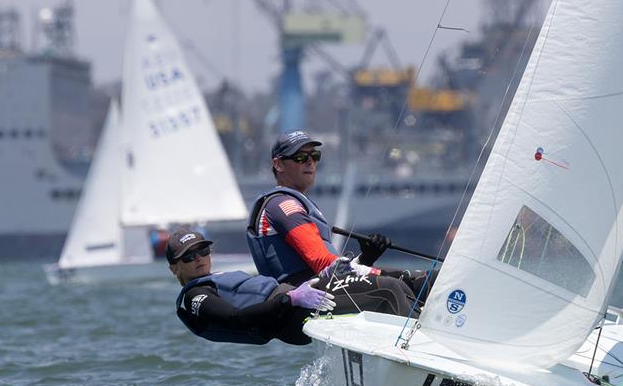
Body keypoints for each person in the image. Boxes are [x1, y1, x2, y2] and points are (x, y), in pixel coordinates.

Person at [246, 130, 435, 300]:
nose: (310, 162)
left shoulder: (292, 202)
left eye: (314, 155)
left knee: (422, 280)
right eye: (300, 157)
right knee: (402, 283)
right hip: (309, 296)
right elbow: (322, 263)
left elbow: (331, 270)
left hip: (325, 287)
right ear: (278, 165)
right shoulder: (284, 205)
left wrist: (365, 258)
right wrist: (376, 272)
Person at [168, 228, 419, 346]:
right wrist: (290, 300)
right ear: (174, 268)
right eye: (188, 257)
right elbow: (235, 318)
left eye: (202, 251)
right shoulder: (195, 295)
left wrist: (361, 261)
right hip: (291, 315)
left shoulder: (218, 277)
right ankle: (415, 350)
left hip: (300, 297)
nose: (199, 258)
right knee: (387, 292)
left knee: (397, 283)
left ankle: (437, 333)